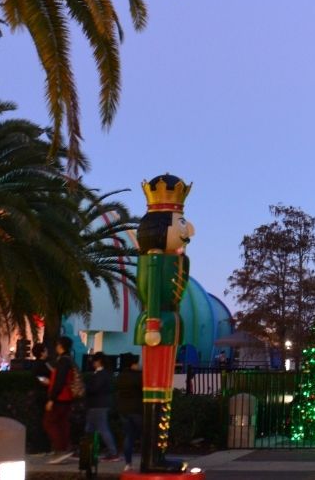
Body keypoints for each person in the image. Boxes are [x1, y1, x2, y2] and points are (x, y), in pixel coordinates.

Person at [135, 174, 196, 474]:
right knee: (155, 391)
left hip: (168, 326)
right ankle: (151, 456)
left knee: (164, 390)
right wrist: (153, 326)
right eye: (181, 221)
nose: (189, 229)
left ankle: (158, 452)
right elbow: (151, 294)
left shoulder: (176, 260)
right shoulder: (154, 261)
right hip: (157, 329)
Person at [44, 335, 77, 463]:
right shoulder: (69, 360)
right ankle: (64, 448)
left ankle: (60, 450)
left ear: (60, 346)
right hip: (67, 396)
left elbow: (59, 381)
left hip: (60, 397)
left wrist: (52, 398)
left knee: (49, 422)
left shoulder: (63, 361)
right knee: (62, 423)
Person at [84, 352, 120, 461]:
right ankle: (87, 450)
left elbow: (94, 388)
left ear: (98, 361)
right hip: (101, 404)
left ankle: (112, 452)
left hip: (98, 405)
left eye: (94, 361)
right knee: (93, 428)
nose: (93, 363)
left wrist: (85, 387)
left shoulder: (100, 374)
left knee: (100, 429)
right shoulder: (106, 374)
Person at [115, 352, 144, 471]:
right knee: (144, 436)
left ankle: (128, 463)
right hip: (137, 409)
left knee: (129, 436)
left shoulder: (120, 376)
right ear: (133, 364)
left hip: (124, 410)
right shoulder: (139, 376)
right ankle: (146, 461)